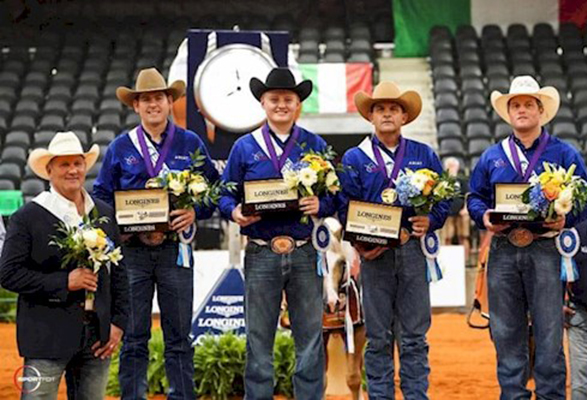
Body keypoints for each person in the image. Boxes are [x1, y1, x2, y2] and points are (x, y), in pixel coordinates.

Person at [467, 75, 587, 399]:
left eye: (528, 104)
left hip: (546, 250)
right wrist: (483, 216)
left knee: (550, 333)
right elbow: (474, 197)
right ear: (508, 113)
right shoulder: (491, 157)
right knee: (507, 332)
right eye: (516, 105)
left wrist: (566, 219)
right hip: (503, 249)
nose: (521, 110)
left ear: (541, 111)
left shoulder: (564, 154)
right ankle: (513, 395)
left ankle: (551, 395)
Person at [93, 67, 219, 400]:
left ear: (169, 102)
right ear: (136, 106)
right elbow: (102, 196)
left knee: (178, 336)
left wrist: (195, 212)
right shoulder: (121, 147)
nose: (153, 105)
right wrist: (116, 229)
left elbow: (213, 191)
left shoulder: (189, 142)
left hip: (174, 250)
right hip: (132, 254)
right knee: (134, 336)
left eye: (159, 98)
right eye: (145, 99)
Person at [218, 67, 336, 400]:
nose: (281, 105)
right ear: (263, 103)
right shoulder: (244, 147)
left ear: (298, 104)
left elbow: (336, 195)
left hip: (304, 250)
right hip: (261, 250)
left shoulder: (315, 145)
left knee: (310, 337)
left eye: (288, 99)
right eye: (275, 99)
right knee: (258, 338)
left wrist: (321, 205)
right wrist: (235, 211)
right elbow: (225, 194)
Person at [338, 81, 450, 399]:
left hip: (412, 251)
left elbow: (444, 199)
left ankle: (416, 396)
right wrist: (360, 244)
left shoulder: (423, 154)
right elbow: (344, 203)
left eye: (393, 109)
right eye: (380, 109)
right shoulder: (354, 158)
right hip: (374, 257)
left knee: (414, 336)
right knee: (378, 337)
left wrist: (432, 220)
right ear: (370, 117)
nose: (387, 114)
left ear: (404, 117)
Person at [0, 131, 129, 400]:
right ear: (49, 171)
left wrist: (118, 323)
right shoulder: (27, 217)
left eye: (77, 163)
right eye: (64, 164)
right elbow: (9, 274)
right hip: (45, 336)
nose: (73, 170)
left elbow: (119, 273)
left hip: (97, 335)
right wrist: (63, 282)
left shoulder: (103, 213)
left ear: (85, 166)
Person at [564, 207, 587, 400]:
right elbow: (560, 269)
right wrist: (560, 300)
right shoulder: (576, 235)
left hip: (582, 314)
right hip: (580, 315)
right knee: (579, 387)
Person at [440, 157, 470, 260]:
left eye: (453, 166)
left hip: (461, 212)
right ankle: (446, 261)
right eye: (449, 166)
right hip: (447, 213)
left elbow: (468, 195)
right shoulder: (442, 180)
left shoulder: (462, 180)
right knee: (447, 237)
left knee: (463, 237)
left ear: (457, 167)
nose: (451, 168)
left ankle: (465, 261)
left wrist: (466, 209)